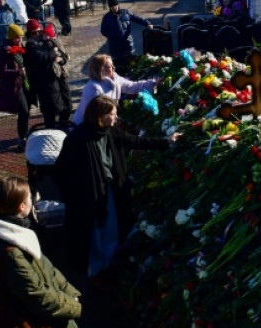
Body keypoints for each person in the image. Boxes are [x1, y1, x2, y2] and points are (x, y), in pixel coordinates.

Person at [54, 95, 179, 277]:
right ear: (101, 115)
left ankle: (109, 262)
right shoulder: (77, 139)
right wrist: (75, 196)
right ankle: (94, 268)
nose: (116, 117)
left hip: (111, 189)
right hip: (90, 195)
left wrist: (167, 141)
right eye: (113, 114)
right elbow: (61, 171)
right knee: (94, 231)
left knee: (111, 226)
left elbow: (136, 141)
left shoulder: (111, 132)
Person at [0, 176, 82, 328]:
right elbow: (37, 296)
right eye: (30, 197)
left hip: (54, 311)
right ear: (21, 207)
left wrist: (70, 292)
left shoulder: (9, 234)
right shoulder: (13, 253)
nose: (33, 200)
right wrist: (73, 306)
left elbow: (47, 268)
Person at [72, 54, 156, 126]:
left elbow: (132, 86)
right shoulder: (94, 88)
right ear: (101, 70)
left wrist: (153, 83)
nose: (114, 68)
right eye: (110, 67)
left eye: (113, 65)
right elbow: (93, 116)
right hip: (84, 127)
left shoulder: (115, 79)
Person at [0, 24, 35, 151]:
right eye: (17, 38)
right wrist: (18, 72)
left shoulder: (21, 47)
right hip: (14, 85)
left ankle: (25, 134)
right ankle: (22, 138)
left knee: (27, 110)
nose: (20, 40)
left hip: (25, 83)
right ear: (11, 38)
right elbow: (3, 72)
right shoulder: (4, 51)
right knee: (23, 110)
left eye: (21, 37)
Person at [24, 19, 66, 129]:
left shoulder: (42, 39)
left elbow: (61, 52)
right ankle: (51, 128)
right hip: (42, 80)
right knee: (48, 108)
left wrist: (60, 58)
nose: (38, 34)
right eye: (35, 32)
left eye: (39, 31)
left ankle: (61, 126)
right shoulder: (30, 44)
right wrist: (53, 53)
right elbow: (41, 57)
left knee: (59, 104)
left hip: (53, 76)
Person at [99, 0, 152, 75]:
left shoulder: (126, 13)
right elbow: (103, 31)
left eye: (115, 6)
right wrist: (114, 35)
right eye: (112, 7)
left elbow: (137, 18)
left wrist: (147, 23)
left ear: (118, 5)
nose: (114, 8)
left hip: (128, 44)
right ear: (109, 7)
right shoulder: (107, 18)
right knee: (118, 66)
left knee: (131, 64)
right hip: (115, 46)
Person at [43, 23, 73, 127]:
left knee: (67, 99)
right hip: (52, 75)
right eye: (44, 34)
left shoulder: (57, 43)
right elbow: (44, 58)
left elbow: (65, 56)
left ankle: (64, 121)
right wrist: (53, 55)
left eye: (47, 35)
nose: (44, 36)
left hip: (62, 73)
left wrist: (61, 59)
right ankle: (58, 123)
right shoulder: (43, 45)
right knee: (57, 102)